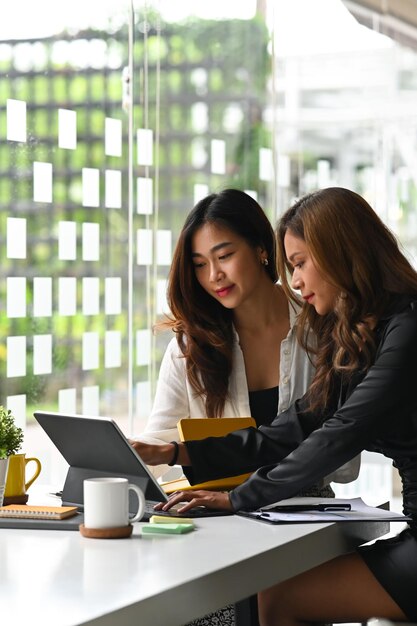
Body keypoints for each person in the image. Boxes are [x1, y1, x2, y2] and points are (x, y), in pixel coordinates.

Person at [135, 186, 417, 624]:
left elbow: (341, 433)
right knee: (270, 597)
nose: (296, 280)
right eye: (292, 266)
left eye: (301, 263)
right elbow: (296, 426)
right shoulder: (370, 333)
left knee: (277, 601)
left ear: (341, 253)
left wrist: (239, 499)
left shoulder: (407, 328)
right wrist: (176, 452)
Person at [135, 188, 358, 490]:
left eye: (225, 256)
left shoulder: (323, 329)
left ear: (260, 249)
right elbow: (158, 444)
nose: (214, 275)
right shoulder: (191, 346)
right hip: (222, 514)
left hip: (308, 512)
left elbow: (344, 459)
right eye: (200, 264)